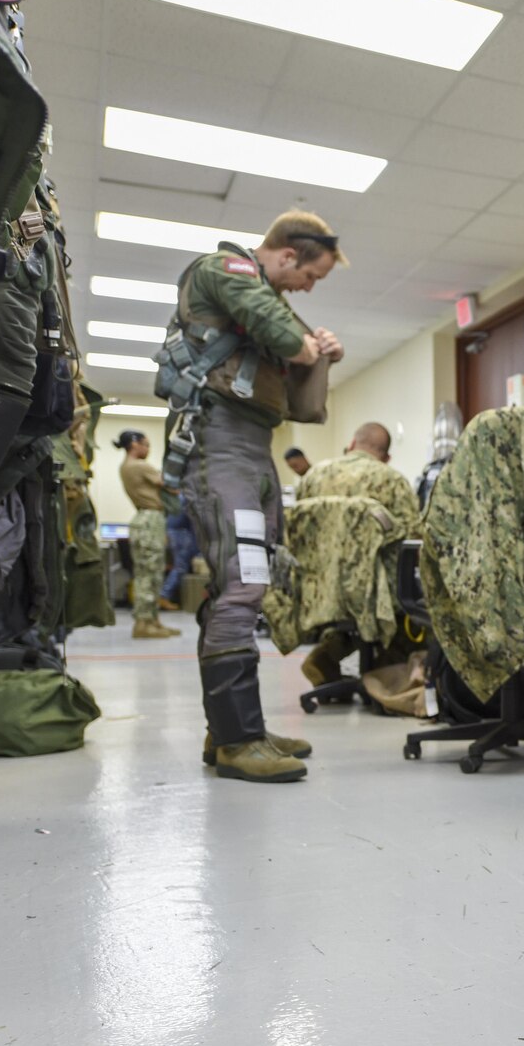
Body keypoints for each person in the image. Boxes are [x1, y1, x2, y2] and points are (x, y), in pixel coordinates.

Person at [164, 209, 347, 783]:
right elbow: (286, 338)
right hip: (219, 443)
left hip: (250, 447)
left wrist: (322, 353)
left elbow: (302, 400)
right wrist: (306, 344)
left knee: (245, 581)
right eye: (310, 275)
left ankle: (231, 730)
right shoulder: (227, 269)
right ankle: (238, 740)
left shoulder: (264, 295)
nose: (307, 288)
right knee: (241, 586)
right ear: (288, 253)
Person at [293, 421, 421, 687]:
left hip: (316, 589)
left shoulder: (312, 477)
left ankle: (325, 656)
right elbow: (414, 539)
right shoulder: (392, 480)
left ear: (351, 445)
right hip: (371, 593)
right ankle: (383, 674)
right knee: (411, 607)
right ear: (386, 457)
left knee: (347, 609)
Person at [114, 429, 178, 639]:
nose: (147, 449)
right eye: (146, 444)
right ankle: (143, 623)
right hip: (150, 519)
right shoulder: (138, 466)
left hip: (147, 520)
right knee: (148, 575)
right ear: (135, 445)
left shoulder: (125, 467)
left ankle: (152, 621)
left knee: (152, 573)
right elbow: (170, 486)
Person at [161, 503, 200, 611]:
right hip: (182, 533)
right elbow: (195, 520)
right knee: (180, 567)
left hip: (174, 531)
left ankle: (165, 595)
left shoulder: (181, 497)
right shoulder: (189, 495)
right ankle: (164, 595)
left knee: (179, 566)